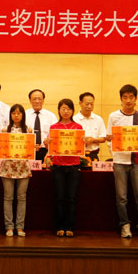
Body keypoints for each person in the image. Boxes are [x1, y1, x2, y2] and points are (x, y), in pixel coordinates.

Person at [106, 84, 138, 239]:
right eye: (125, 97)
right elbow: (109, 138)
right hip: (119, 161)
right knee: (121, 197)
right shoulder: (114, 116)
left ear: (136, 99)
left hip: (136, 161)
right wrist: (115, 151)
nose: (128, 100)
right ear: (121, 99)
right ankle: (124, 225)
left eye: (131, 97)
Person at [44, 99, 84, 237]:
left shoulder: (78, 127)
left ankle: (70, 227)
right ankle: (60, 227)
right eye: (63, 109)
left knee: (71, 198)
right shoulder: (54, 127)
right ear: (59, 110)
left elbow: (81, 146)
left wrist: (84, 141)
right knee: (59, 197)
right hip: (58, 166)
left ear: (72, 111)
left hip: (74, 166)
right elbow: (48, 147)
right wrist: (46, 142)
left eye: (68, 109)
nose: (66, 111)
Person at [0, 104, 31, 237]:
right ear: (10, 115)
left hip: (23, 167)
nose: (16, 115)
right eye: (14, 113)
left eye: (19, 113)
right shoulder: (5, 129)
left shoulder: (28, 130)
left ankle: (20, 227)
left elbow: (30, 149)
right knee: (8, 198)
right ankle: (9, 227)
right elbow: (2, 148)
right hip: (8, 166)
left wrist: (33, 148)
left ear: (23, 115)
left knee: (22, 198)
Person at [73, 92, 107, 162]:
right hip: (77, 156)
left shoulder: (98, 119)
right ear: (80, 103)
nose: (89, 106)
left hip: (93, 155)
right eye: (87, 104)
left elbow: (103, 138)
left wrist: (93, 139)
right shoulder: (74, 120)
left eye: (91, 104)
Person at [25, 89, 57, 161]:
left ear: (43, 100)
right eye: (34, 99)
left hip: (45, 150)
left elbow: (55, 135)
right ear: (30, 100)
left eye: (39, 99)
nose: (37, 101)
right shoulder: (24, 115)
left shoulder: (51, 116)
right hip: (28, 150)